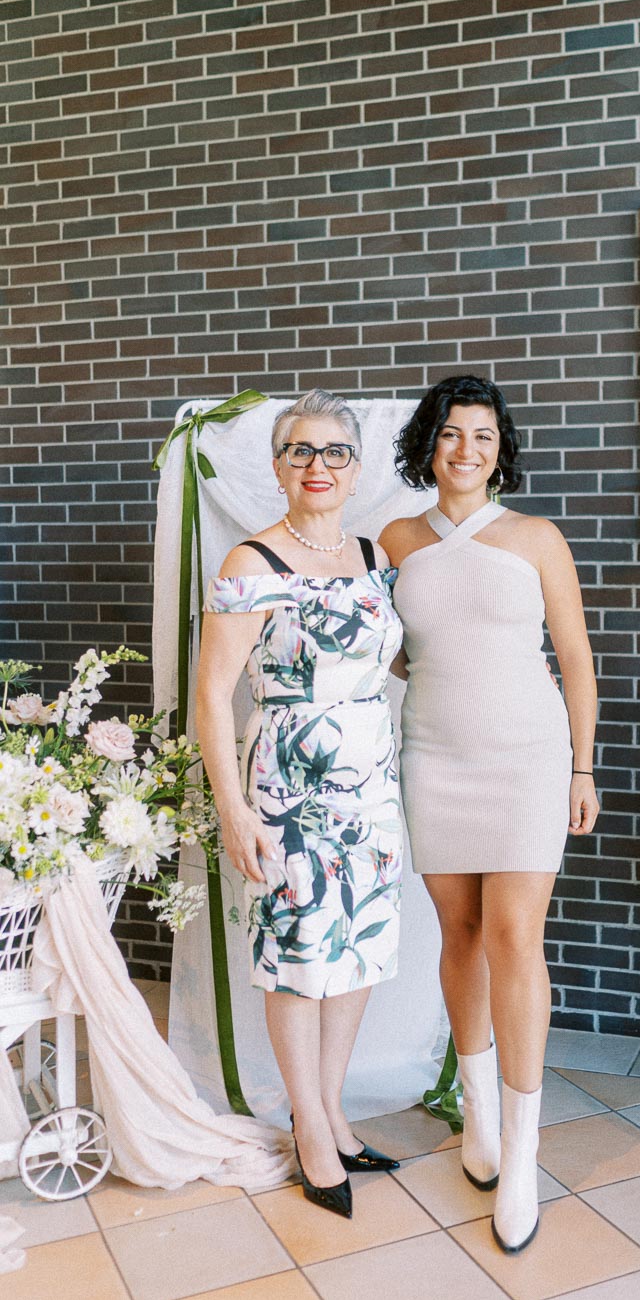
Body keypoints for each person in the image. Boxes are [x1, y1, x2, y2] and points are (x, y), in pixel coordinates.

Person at [380, 375, 599, 1253]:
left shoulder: (537, 538)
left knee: (514, 935)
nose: (467, 450)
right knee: (458, 932)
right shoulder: (393, 540)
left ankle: (523, 1150)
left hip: (528, 758)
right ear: (427, 445)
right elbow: (386, 653)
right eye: (451, 434)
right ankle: (476, 1115)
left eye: (483, 435)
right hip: (434, 758)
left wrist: (584, 767)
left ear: (501, 448)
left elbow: (575, 657)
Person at [195, 389, 403, 1220]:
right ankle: (308, 1126)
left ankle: (334, 1109)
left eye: (334, 453)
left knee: (355, 949)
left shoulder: (372, 554)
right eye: (301, 452)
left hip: (371, 784)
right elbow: (213, 696)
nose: (318, 467)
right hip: (288, 783)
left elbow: (392, 662)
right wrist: (234, 811)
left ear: (355, 471)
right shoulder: (251, 563)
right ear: (279, 468)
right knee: (298, 951)